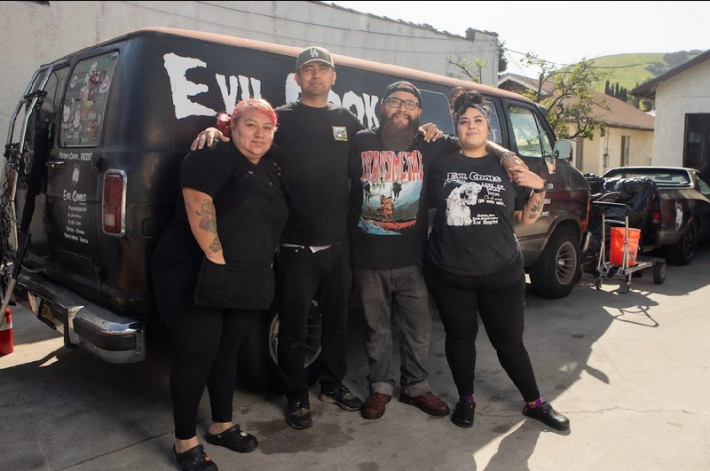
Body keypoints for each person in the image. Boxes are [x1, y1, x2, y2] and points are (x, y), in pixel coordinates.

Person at [192, 46, 365, 430]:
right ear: (297, 78)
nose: (316, 75)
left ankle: (333, 385)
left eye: (323, 69)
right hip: (294, 247)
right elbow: (243, 136)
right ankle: (296, 395)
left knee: (336, 323)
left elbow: (376, 156)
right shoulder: (279, 119)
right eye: (308, 70)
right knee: (292, 327)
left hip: (338, 245)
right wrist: (212, 130)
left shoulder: (347, 121)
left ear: (334, 77)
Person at [350, 81, 527, 420]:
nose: (402, 108)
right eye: (395, 101)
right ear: (381, 105)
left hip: (416, 258)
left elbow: (473, 138)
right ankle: (380, 388)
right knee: (377, 330)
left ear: (419, 112)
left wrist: (505, 155)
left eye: (411, 103)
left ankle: (415, 386)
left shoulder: (432, 143)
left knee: (419, 330)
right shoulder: (360, 141)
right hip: (367, 257)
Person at [423, 89, 570, 431]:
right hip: (450, 270)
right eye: (464, 121)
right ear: (455, 127)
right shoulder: (440, 160)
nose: (471, 127)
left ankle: (534, 402)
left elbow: (529, 218)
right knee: (460, 338)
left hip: (502, 270)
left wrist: (540, 188)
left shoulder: (507, 166)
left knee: (509, 341)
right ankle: (466, 399)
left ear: (488, 128)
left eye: (478, 121)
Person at [152, 98, 287, 471]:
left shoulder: (267, 168)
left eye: (267, 127)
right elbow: (198, 203)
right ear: (233, 126)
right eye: (250, 125)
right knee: (198, 354)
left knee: (228, 351)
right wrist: (218, 263)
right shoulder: (214, 153)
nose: (258, 134)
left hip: (244, 276)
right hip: (193, 270)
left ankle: (222, 424)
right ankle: (185, 443)